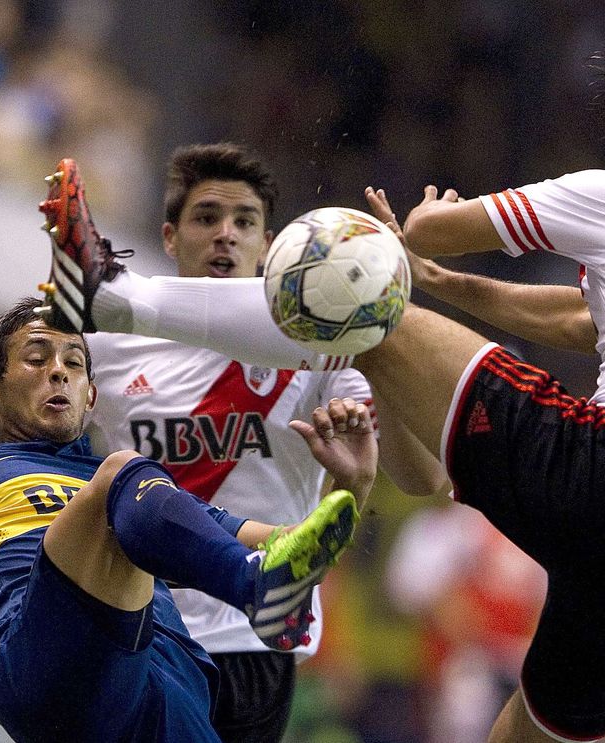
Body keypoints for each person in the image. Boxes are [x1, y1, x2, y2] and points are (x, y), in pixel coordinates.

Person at [36, 30, 605, 741]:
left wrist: (424, 231)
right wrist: (445, 285)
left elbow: (435, 229)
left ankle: (108, 294)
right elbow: (577, 317)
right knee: (533, 728)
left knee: (359, 296)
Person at [0, 297, 374, 742]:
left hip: (164, 682)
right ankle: (253, 585)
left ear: (91, 395)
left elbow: (291, 545)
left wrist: (350, 485)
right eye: (36, 358)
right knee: (124, 477)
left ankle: (257, 582)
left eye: (75, 363)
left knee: (133, 486)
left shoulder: (137, 492)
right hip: (43, 661)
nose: (60, 371)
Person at [77, 142, 446, 741]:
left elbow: (425, 478)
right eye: (206, 218)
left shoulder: (321, 354)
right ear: (170, 238)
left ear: (273, 246)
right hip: (138, 628)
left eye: (244, 221)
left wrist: (384, 333)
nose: (226, 234)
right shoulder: (106, 349)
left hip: (253, 635)